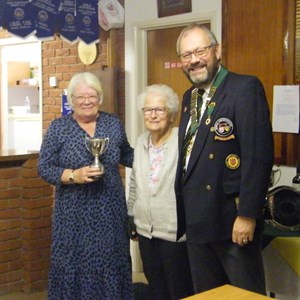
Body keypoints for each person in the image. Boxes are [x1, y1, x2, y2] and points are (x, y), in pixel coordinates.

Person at [174, 24, 274, 295]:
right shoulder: (189, 98)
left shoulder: (244, 88)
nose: (193, 60)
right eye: (186, 55)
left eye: (199, 51)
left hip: (231, 221)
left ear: (217, 51)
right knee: (206, 294)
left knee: (243, 294)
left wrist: (248, 214)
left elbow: (258, 156)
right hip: (196, 222)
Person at [38, 72, 134, 300]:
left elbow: (127, 154)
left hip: (110, 210)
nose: (87, 101)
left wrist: (158, 152)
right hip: (73, 215)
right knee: (76, 265)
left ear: (100, 97)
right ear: (71, 99)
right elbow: (44, 167)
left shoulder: (112, 123)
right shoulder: (59, 127)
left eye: (92, 95)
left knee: (111, 261)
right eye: (80, 97)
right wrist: (73, 175)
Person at [127, 84, 193, 300]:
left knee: (180, 290)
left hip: (175, 232)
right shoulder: (140, 141)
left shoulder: (184, 142)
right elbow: (136, 181)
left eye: (160, 110)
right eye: (148, 110)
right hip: (146, 231)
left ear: (172, 114)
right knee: (156, 288)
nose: (153, 115)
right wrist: (131, 215)